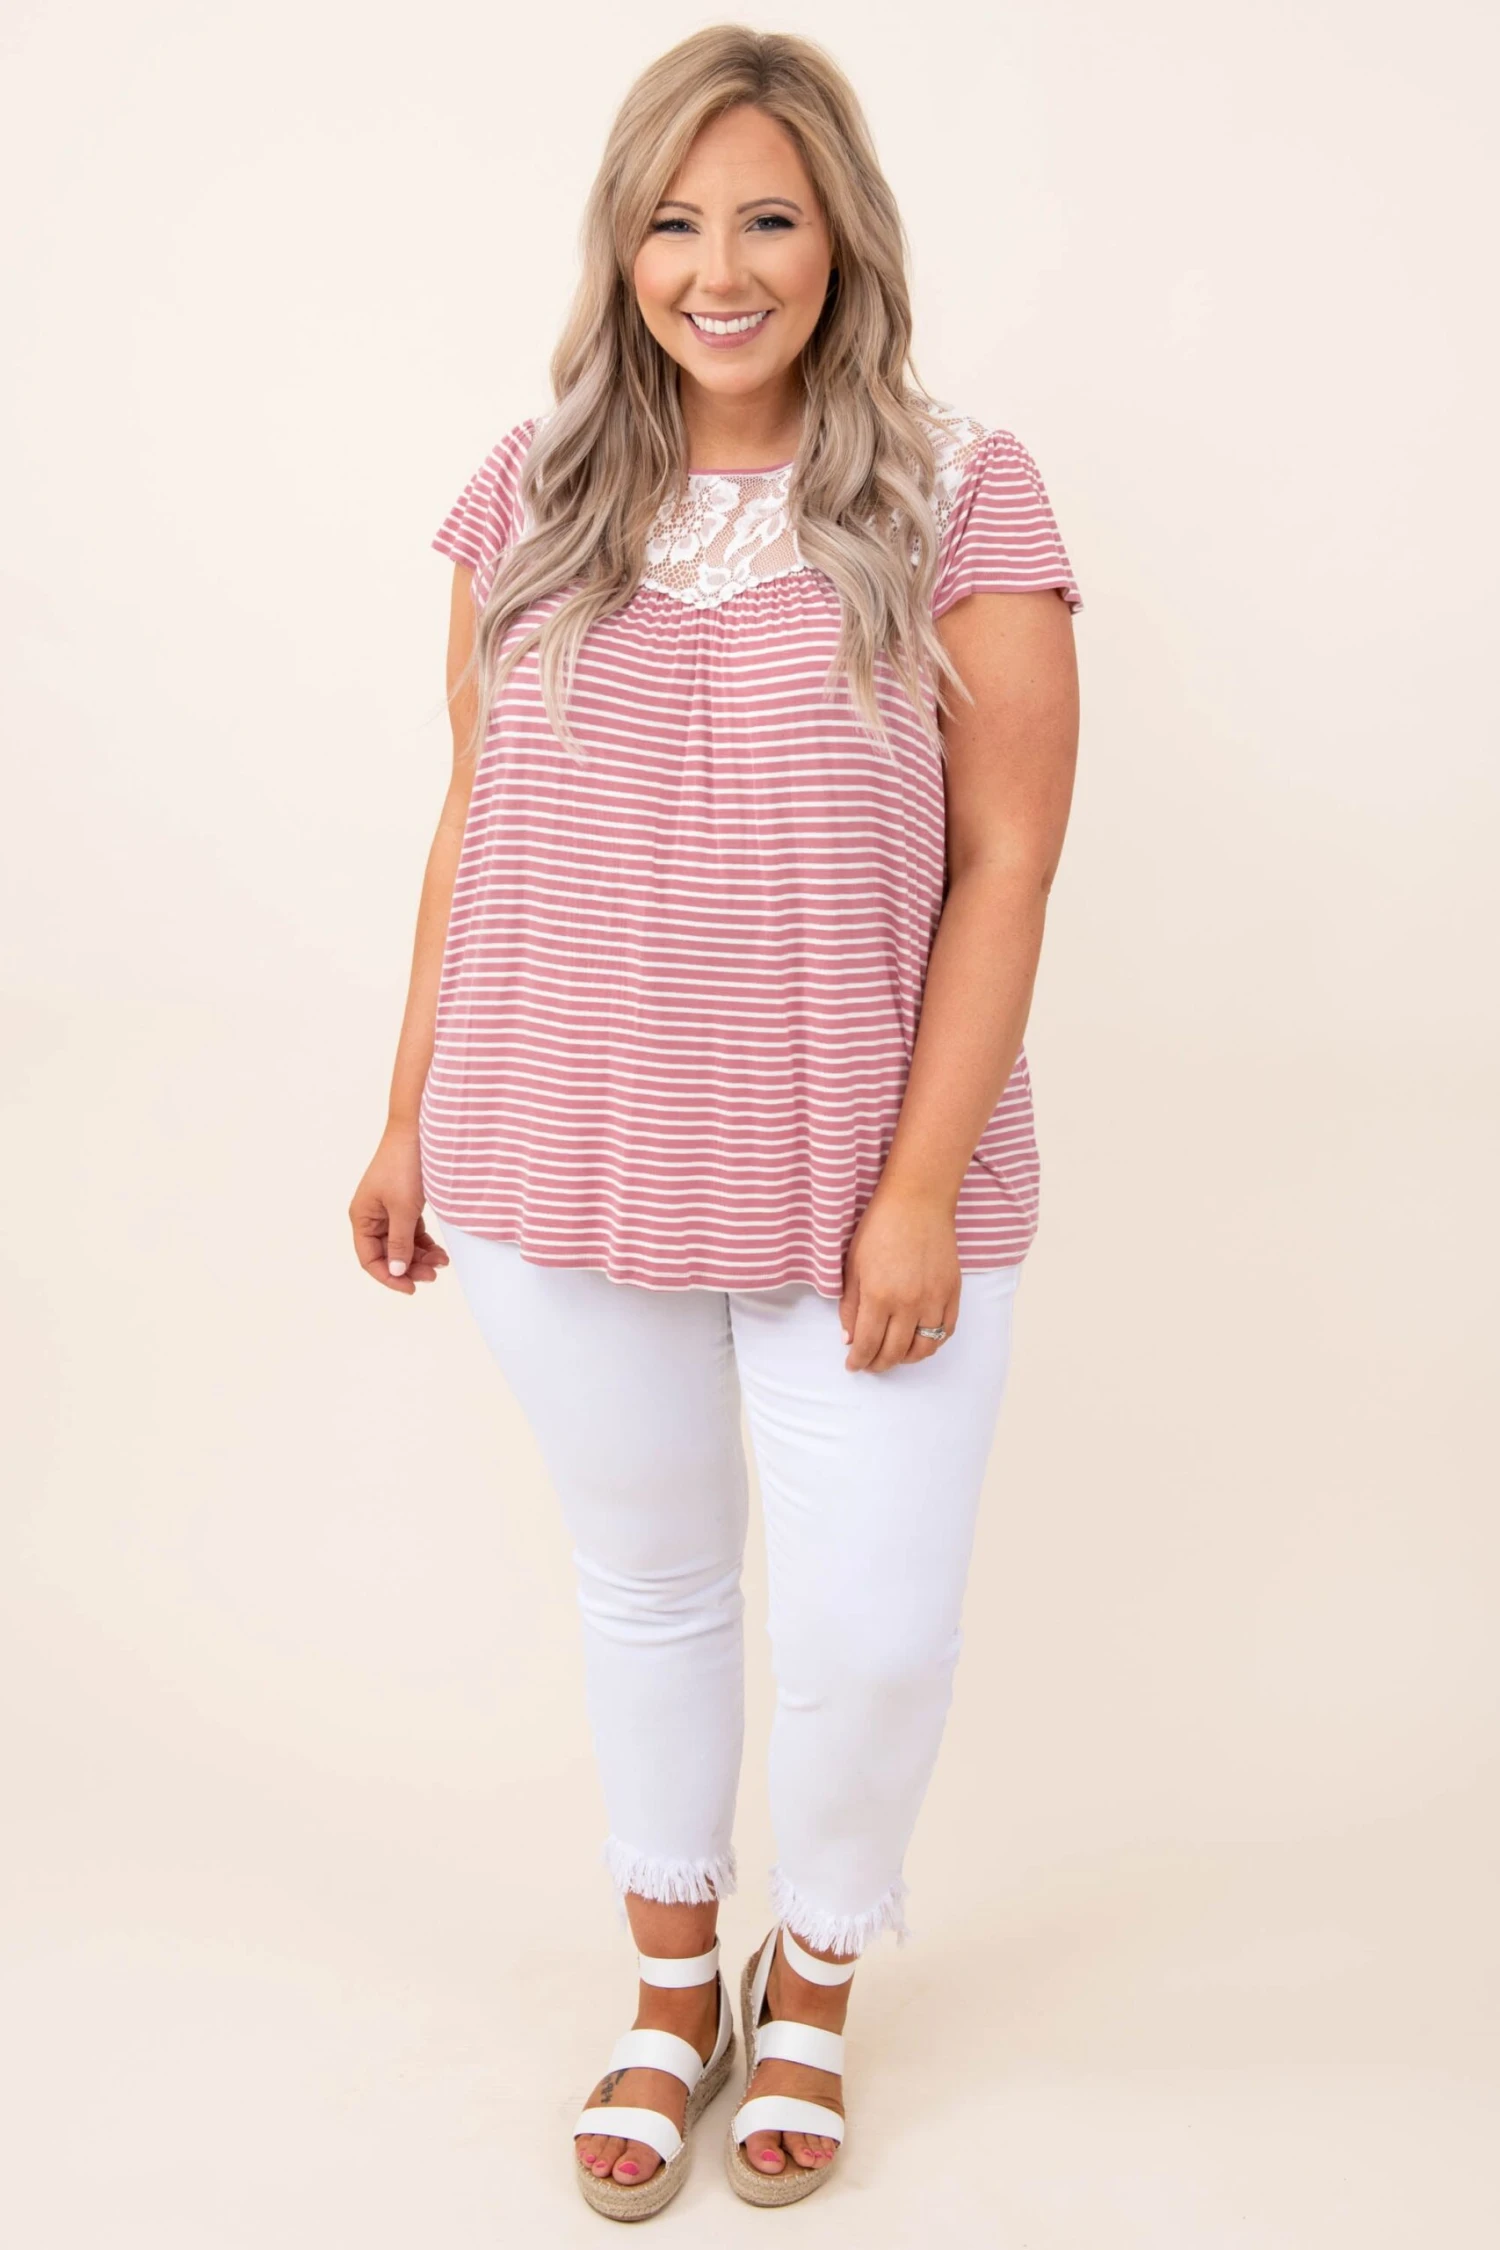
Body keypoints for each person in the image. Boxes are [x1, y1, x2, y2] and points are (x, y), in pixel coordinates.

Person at [349, 22, 1082, 2219]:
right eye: (674, 222)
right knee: (652, 1586)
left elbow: (1008, 861)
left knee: (873, 1633)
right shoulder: (531, 487)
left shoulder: (963, 492)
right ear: (622, 245)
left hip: (868, 1185)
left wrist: (923, 1187)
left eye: (769, 217)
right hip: (552, 1155)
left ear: (843, 238)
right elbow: (476, 815)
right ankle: (674, 1993)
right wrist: (407, 1115)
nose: (720, 267)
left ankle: (816, 1975)